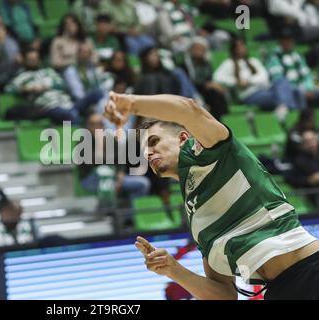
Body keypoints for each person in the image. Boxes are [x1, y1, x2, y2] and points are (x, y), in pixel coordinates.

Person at [103, 91, 319, 299]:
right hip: (279, 291)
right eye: (143, 150)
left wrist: (131, 103)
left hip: (310, 268)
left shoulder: (211, 151)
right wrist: (173, 269)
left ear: (183, 138)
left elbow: (188, 109)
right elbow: (225, 294)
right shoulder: (195, 218)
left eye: (154, 142)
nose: (148, 153)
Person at [5, 49, 102, 125]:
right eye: (30, 60)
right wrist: (27, 89)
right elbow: (8, 89)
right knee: (70, 115)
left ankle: (111, 136)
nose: (33, 62)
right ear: (25, 60)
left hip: (68, 103)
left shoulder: (48, 71)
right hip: (50, 107)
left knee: (98, 93)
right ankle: (79, 146)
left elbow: (62, 84)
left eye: (35, 59)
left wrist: (48, 86)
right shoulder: (22, 76)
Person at [214, 38, 305, 115]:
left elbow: (264, 77)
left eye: (243, 46)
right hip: (249, 95)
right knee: (289, 95)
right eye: (238, 47)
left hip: (265, 90)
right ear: (233, 49)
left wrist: (249, 81)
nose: (241, 49)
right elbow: (217, 77)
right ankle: (290, 113)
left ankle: (284, 109)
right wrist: (237, 82)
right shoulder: (229, 63)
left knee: (285, 83)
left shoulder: (253, 61)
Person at [78, 112, 150, 205]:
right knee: (105, 182)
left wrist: (120, 174)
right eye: (93, 124)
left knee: (143, 183)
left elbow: (120, 159)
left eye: (100, 124)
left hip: (114, 178)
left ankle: (128, 216)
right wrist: (99, 144)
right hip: (91, 179)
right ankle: (107, 214)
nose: (97, 127)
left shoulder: (110, 138)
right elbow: (92, 164)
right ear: (88, 126)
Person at [265, 29, 319, 107]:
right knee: (299, 93)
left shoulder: (298, 56)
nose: (288, 42)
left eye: (290, 40)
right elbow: (278, 80)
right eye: (285, 40)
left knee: (316, 84)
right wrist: (300, 89)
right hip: (289, 90)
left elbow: (307, 75)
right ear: (280, 41)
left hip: (305, 87)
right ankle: (303, 116)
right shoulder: (274, 57)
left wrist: (309, 88)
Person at [181, 37, 229, 120]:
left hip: (205, 91)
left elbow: (209, 79)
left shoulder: (206, 64)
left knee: (217, 92)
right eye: (196, 48)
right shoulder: (184, 65)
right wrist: (206, 84)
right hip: (191, 91)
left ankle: (221, 120)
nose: (198, 51)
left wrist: (212, 85)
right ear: (190, 49)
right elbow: (187, 83)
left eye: (201, 49)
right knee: (213, 93)